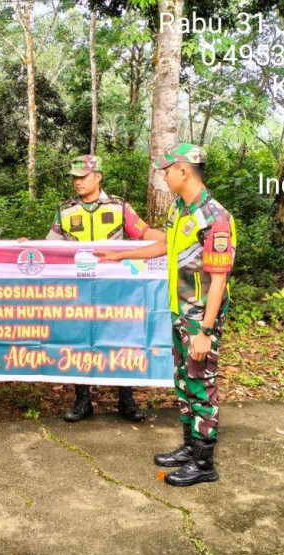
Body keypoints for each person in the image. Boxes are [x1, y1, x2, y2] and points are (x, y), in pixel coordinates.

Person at [95, 144, 236, 486]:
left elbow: (219, 279)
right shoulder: (179, 209)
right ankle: (190, 447)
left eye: (167, 170)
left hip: (200, 317)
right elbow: (165, 245)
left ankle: (204, 463)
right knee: (184, 380)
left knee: (201, 384)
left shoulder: (215, 218)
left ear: (184, 171)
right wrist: (118, 256)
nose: (164, 176)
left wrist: (205, 331)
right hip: (179, 311)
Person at [21, 154, 163, 423]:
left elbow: (144, 234)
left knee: (123, 339)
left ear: (98, 176)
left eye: (82, 177)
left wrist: (176, 238)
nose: (77, 182)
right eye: (74, 177)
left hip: (117, 289)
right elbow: (51, 246)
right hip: (80, 288)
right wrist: (27, 246)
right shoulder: (65, 210)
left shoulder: (120, 207)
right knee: (80, 341)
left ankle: (126, 400)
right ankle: (82, 401)